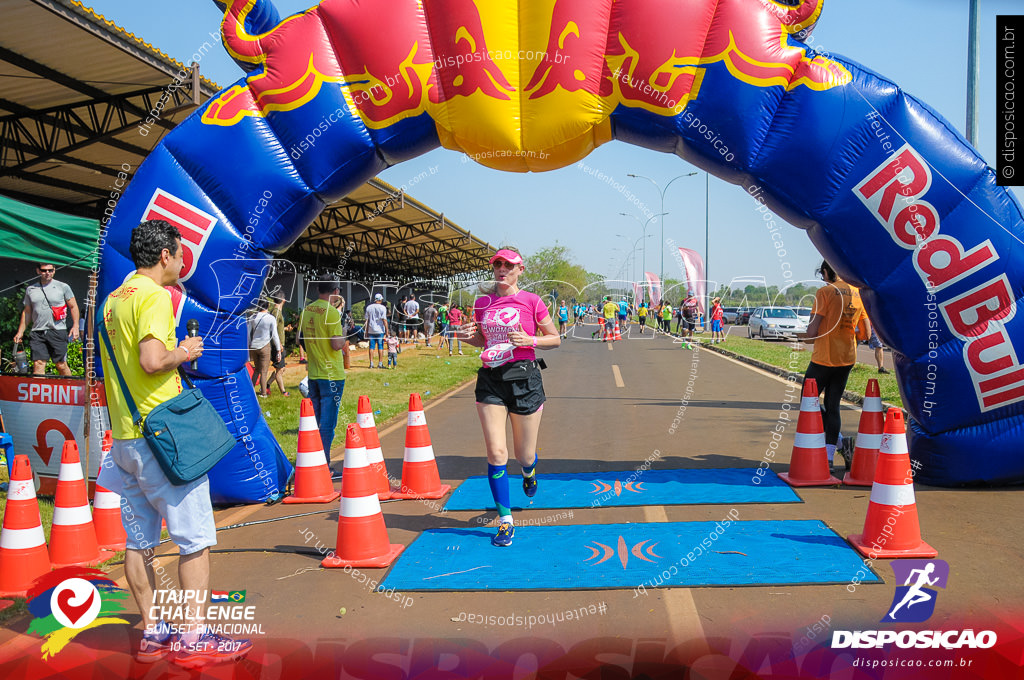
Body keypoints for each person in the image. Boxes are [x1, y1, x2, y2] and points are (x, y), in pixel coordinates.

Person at [99, 219, 251, 666]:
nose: (185, 261)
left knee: (138, 542)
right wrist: (186, 352)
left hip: (126, 438)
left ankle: (152, 632)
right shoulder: (152, 297)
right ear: (165, 255)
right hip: (162, 440)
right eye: (182, 253)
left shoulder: (114, 298)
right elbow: (151, 360)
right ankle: (194, 637)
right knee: (194, 539)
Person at [460, 248, 560, 547]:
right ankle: (505, 521)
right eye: (497, 265)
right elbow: (482, 338)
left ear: (520, 269)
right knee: (496, 454)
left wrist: (530, 340)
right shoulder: (482, 303)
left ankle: (529, 473)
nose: (502, 269)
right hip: (491, 379)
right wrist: (468, 336)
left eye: (508, 265)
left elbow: (554, 339)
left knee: (523, 455)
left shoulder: (532, 301)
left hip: (525, 378)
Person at [798, 260, 869, 471]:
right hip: (846, 358)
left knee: (807, 402)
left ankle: (839, 443)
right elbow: (865, 333)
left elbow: (812, 333)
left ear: (827, 272)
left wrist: (804, 337)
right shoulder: (858, 293)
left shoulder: (825, 293)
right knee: (833, 405)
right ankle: (831, 454)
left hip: (823, 358)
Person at [300, 281, 347, 462]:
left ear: (318, 289)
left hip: (313, 373)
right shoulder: (332, 313)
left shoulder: (307, 311)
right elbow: (336, 344)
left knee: (315, 421)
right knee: (327, 425)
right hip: (332, 375)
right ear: (335, 291)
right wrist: (343, 333)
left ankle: (313, 459)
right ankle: (324, 463)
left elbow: (300, 339)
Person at [13, 262, 80, 376]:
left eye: (50, 270)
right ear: (38, 271)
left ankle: (70, 389)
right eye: (44, 270)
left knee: (61, 364)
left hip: (57, 330)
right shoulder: (31, 289)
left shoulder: (63, 287)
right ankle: (39, 393)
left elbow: (73, 306)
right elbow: (27, 312)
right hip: (37, 331)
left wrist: (76, 326)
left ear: (54, 271)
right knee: (38, 364)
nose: (47, 273)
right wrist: (20, 332)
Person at [248, 299, 281, 397]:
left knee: (256, 370)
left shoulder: (253, 317)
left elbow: (248, 333)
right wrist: (278, 349)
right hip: (265, 346)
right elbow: (274, 335)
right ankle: (263, 393)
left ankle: (251, 391)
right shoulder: (270, 318)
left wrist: (249, 345)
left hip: (254, 346)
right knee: (264, 371)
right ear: (268, 305)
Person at [266, 296, 290, 396]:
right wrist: (279, 345)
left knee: (281, 369)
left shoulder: (276, 312)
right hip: (277, 345)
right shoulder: (276, 312)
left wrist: (285, 329)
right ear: (283, 300)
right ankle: (283, 392)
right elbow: (272, 330)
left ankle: (267, 384)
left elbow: (276, 329)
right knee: (280, 370)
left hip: (279, 344)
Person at [364, 293, 389, 368]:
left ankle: (371, 363)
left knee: (371, 347)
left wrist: (366, 331)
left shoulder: (369, 307)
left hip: (371, 329)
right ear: (380, 299)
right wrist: (387, 331)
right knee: (380, 346)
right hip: (380, 330)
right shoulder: (382, 308)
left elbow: (367, 320)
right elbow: (384, 320)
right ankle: (380, 363)